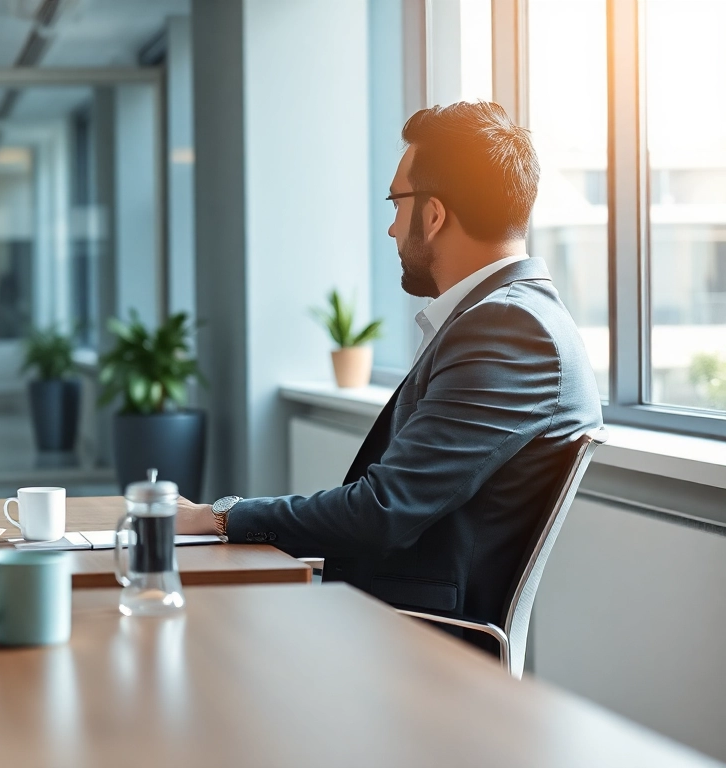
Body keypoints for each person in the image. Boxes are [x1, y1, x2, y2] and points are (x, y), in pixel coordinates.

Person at [178, 102, 602, 639]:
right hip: (387, 618)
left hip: (416, 642)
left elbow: (383, 510)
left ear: (433, 214)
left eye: (397, 204)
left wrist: (218, 517)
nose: (391, 228)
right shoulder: (508, 317)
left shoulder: (509, 327)